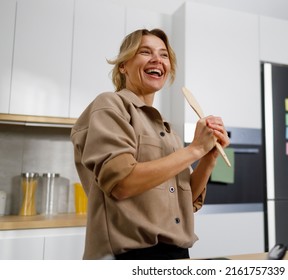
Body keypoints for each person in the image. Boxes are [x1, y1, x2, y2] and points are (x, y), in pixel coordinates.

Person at [70, 28, 229, 260]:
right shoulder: (110, 106)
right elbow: (122, 182)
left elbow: (186, 200)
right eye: (145, 52)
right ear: (123, 65)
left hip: (175, 253)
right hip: (127, 257)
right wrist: (194, 149)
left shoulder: (165, 128)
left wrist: (208, 156)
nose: (157, 59)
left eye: (164, 55)